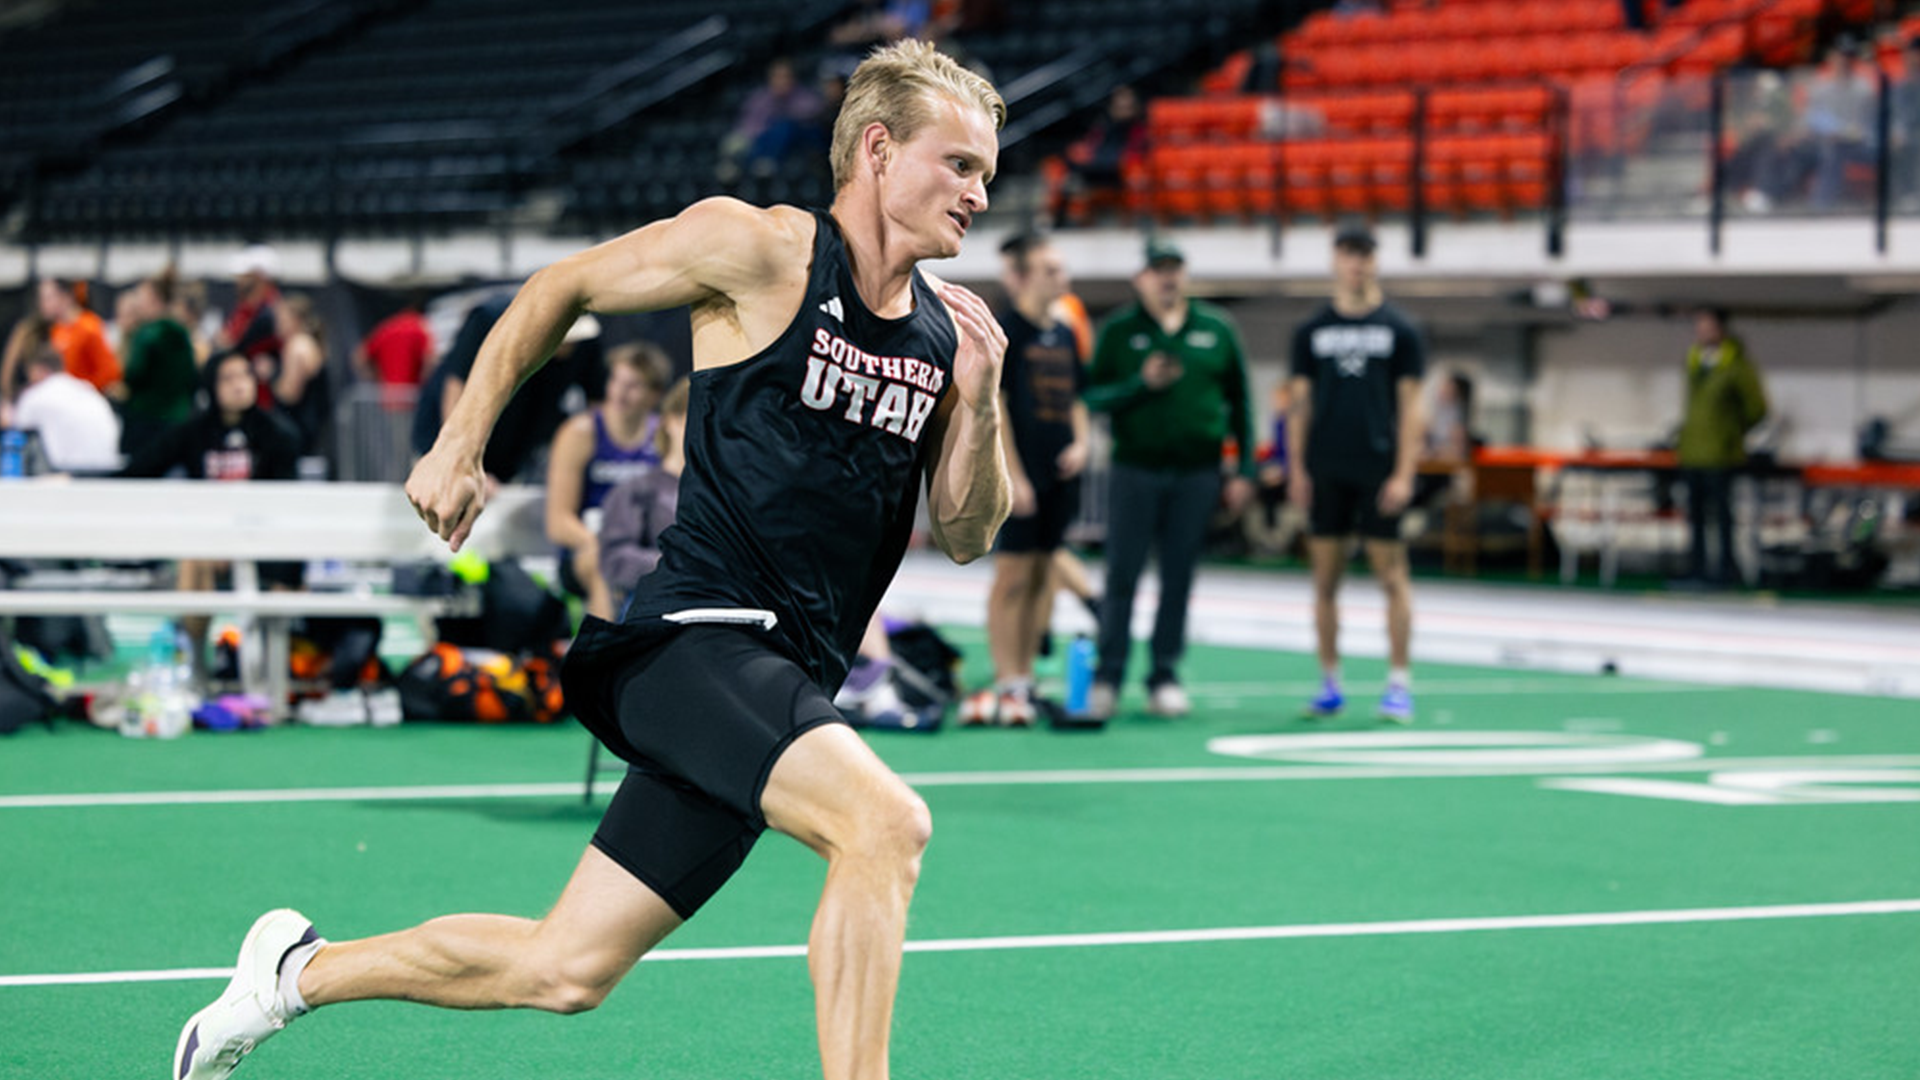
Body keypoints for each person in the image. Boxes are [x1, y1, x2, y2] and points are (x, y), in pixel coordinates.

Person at [174, 38, 1008, 1080]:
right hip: (696, 643)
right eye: (959, 164)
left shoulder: (946, 339)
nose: (980, 193)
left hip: (786, 681)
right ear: (877, 150)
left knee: (563, 968)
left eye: (986, 171)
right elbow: (559, 286)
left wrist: (979, 400)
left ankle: (295, 974)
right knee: (884, 825)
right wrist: (461, 441)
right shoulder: (761, 250)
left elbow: (969, 532)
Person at [1083, 237, 1255, 719]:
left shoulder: (1216, 329)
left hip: (1197, 472)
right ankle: (1108, 675)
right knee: (1122, 575)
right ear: (1141, 279)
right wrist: (1141, 384)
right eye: (1158, 270)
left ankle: (1164, 674)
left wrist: (1244, 468)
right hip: (1135, 468)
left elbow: (1241, 403)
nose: (1167, 278)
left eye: (1174, 269)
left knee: (1179, 577)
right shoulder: (1120, 331)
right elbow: (1091, 397)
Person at [1287, 223, 1426, 724]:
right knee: (1325, 580)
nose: (1357, 263)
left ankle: (1399, 682)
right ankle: (1329, 681)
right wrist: (1296, 468)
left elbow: (1411, 407)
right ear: (1335, 259)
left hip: (1378, 468)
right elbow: (1298, 405)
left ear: (1375, 260)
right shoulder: (1311, 331)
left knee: (1392, 575)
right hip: (1326, 467)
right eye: (1349, 253)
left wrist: (1404, 473)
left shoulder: (1400, 329)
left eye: (1364, 254)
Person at [960, 231, 1088, 726]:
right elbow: (998, 406)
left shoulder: (1065, 331)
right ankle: (1006, 675)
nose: (1062, 277)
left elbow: (1078, 397)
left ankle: (1026, 676)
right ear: (1023, 277)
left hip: (1060, 472)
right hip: (1022, 472)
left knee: (1042, 575)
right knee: (1012, 576)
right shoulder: (1006, 330)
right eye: (1050, 270)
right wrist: (1013, 475)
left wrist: (1081, 444)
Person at [122, 350, 305, 682]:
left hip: (267, 545)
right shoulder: (194, 431)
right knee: (195, 557)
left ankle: (269, 674)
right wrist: (75, 481)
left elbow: (286, 507)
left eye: (245, 375)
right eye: (228, 378)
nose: (239, 385)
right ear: (211, 386)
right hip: (211, 546)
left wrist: (245, 539)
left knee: (269, 571)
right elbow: (141, 468)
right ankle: (198, 668)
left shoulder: (277, 433)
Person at [546, 341, 671, 620]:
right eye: (616, 380)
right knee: (605, 562)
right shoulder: (580, 433)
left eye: (633, 385)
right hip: (587, 547)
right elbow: (558, 522)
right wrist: (601, 543)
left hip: (643, 545)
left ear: (654, 395)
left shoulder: (663, 437)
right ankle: (605, 645)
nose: (620, 393)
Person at [1674, 306, 1767, 588]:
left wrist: (1732, 431)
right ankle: (1697, 568)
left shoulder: (1736, 364)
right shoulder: (1694, 360)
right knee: (1696, 516)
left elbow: (1757, 409)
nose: (1702, 332)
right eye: (1699, 326)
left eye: (1708, 326)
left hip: (1721, 453)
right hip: (1693, 452)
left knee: (1723, 516)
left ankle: (1725, 570)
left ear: (1721, 330)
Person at [598, 375, 691, 603]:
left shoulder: (730, 492)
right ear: (670, 421)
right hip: (658, 602)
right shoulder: (637, 490)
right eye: (695, 420)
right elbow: (615, 559)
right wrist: (679, 566)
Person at [115, 269, 199, 458]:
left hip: (145, 423)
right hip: (178, 420)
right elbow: (192, 377)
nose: (137, 303)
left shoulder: (147, 334)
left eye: (140, 296)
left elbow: (133, 374)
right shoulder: (181, 332)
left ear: (153, 298)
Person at [11, 344, 122, 473]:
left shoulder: (36, 395)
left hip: (67, 473)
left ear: (39, 369)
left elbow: (15, 428)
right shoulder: (87, 390)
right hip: (107, 469)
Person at [268, 293, 331, 458]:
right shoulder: (306, 342)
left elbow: (289, 394)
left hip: (300, 427)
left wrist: (270, 377)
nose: (277, 325)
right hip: (311, 426)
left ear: (295, 320)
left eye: (281, 320)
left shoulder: (297, 345)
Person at [37, 277, 121, 393]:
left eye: (48, 298)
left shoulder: (88, 327)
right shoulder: (56, 330)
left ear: (66, 297)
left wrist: (85, 390)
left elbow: (110, 372)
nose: (43, 305)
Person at [353, 290, 435, 406]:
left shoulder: (387, 327)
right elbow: (430, 361)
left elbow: (359, 357)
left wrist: (376, 379)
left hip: (387, 400)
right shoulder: (419, 328)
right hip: (411, 399)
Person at [216, 245, 283, 362]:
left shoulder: (272, 313)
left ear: (259, 277)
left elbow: (237, 349)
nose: (238, 280)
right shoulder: (244, 308)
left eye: (245, 275)